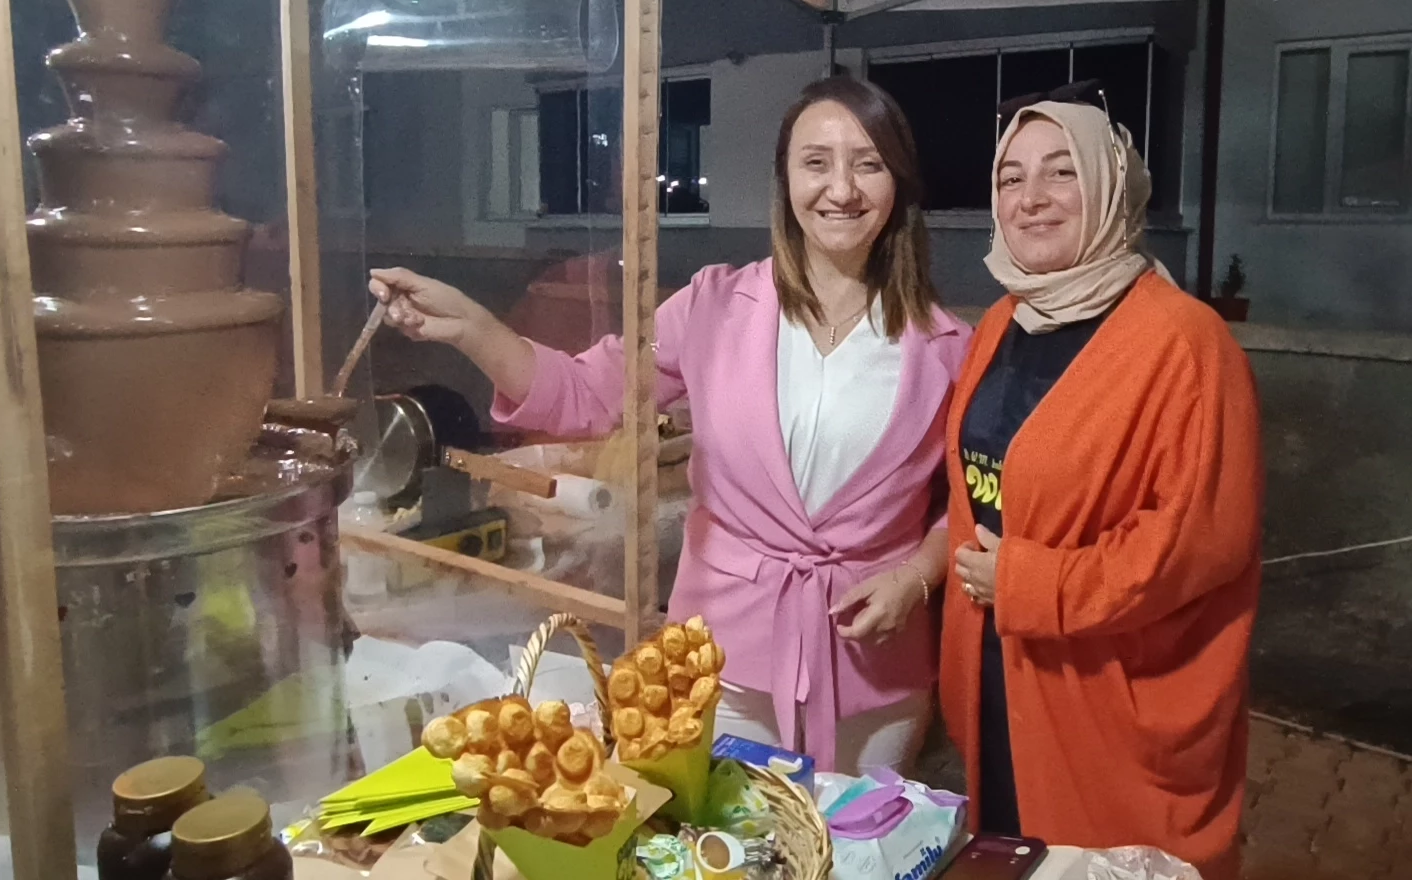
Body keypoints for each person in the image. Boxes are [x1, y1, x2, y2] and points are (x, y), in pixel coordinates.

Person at [370, 76, 970, 774]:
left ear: (898, 182)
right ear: (784, 180)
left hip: (874, 661)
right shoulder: (715, 307)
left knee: (864, 836)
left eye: (868, 164)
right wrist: (472, 327)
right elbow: (586, 393)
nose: (841, 189)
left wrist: (917, 577)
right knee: (727, 831)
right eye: (816, 162)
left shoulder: (946, 346)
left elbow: (962, 503)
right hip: (724, 654)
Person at [941, 96, 1262, 880]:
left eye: (1062, 173)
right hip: (1002, 675)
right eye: (1011, 178)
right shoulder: (1001, 323)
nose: (1031, 198)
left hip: (1106, 698)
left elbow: (1192, 545)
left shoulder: (1186, 343)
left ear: (1113, 186)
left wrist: (1027, 582)